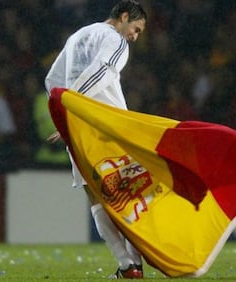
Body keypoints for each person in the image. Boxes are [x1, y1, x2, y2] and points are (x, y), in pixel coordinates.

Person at [45, 0, 147, 279]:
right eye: (136, 29)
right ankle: (135, 262)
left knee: (94, 194)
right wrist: (74, 103)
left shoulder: (77, 36)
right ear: (124, 17)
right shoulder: (115, 39)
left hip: (77, 128)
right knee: (126, 189)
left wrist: (64, 112)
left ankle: (126, 265)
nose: (134, 37)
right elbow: (102, 70)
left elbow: (51, 80)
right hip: (106, 123)